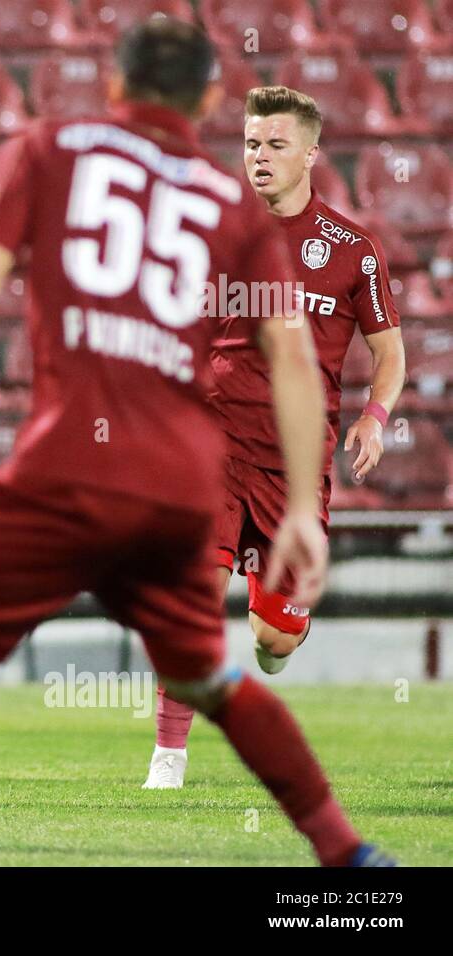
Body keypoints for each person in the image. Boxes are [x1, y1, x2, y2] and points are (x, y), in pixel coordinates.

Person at [0, 18, 393, 867]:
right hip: (181, 480)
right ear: (207, 100)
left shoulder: (47, 150)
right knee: (209, 671)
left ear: (116, 86)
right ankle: (350, 857)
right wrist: (310, 509)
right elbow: (294, 362)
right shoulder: (233, 207)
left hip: (72, 467)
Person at [143, 86, 406, 789]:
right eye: (253, 144)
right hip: (210, 444)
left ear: (311, 154)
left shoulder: (354, 251)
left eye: (276, 145)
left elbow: (390, 354)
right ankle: (168, 758)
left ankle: (282, 628)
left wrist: (375, 419)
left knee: (272, 634)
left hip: (294, 460)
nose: (259, 157)